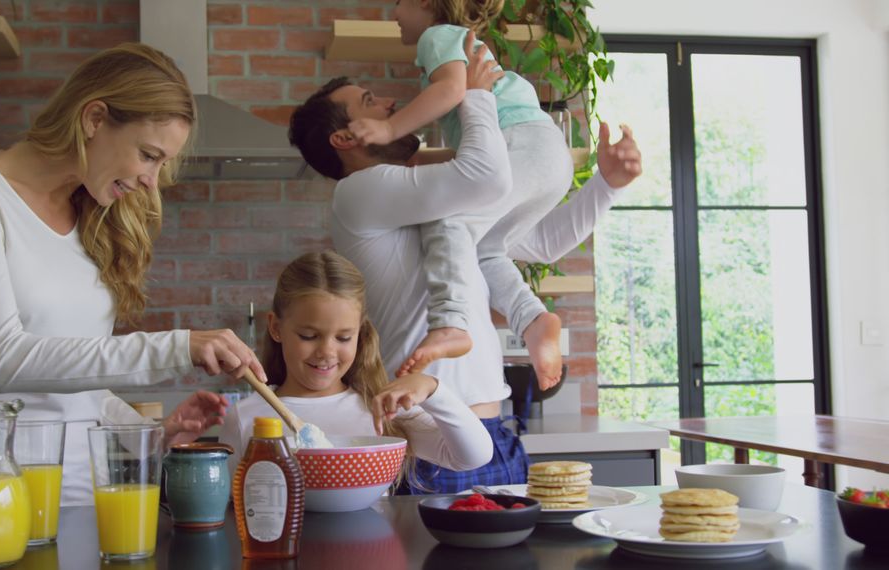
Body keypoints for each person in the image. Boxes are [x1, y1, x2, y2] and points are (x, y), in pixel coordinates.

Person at [0, 43, 265, 510]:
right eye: (148, 154)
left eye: (162, 163)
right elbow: (5, 360)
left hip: (75, 496)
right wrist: (178, 346)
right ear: (93, 119)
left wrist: (148, 432)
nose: (153, 180)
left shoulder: (94, 215)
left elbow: (73, 385)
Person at [287, 33, 642, 492]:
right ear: (345, 137)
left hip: (495, 435)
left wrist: (606, 186)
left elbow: (537, 243)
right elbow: (486, 175)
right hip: (427, 446)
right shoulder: (358, 193)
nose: (394, 102)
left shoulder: (441, 205)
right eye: (372, 102)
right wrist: (473, 94)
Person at [347, 0, 572, 388]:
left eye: (397, 3)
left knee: (448, 216)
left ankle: (450, 323)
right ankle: (532, 320)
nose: (394, 14)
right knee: (485, 249)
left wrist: (388, 130)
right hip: (545, 155)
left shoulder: (438, 36)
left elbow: (452, 90)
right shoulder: (454, 40)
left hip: (520, 143)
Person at [219, 251, 492, 485]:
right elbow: (229, 507)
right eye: (309, 336)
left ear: (359, 335)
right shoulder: (245, 418)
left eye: (343, 338)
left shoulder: (381, 412)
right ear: (276, 328)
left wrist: (433, 390)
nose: (327, 351)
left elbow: (474, 456)